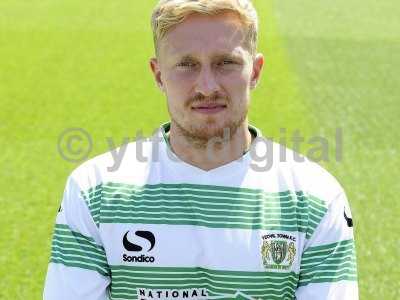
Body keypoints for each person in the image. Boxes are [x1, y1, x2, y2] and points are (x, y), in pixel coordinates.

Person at [43, 0, 358, 299]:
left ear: (256, 72)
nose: (207, 87)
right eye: (186, 65)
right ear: (158, 74)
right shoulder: (95, 191)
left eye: (226, 63)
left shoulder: (315, 199)